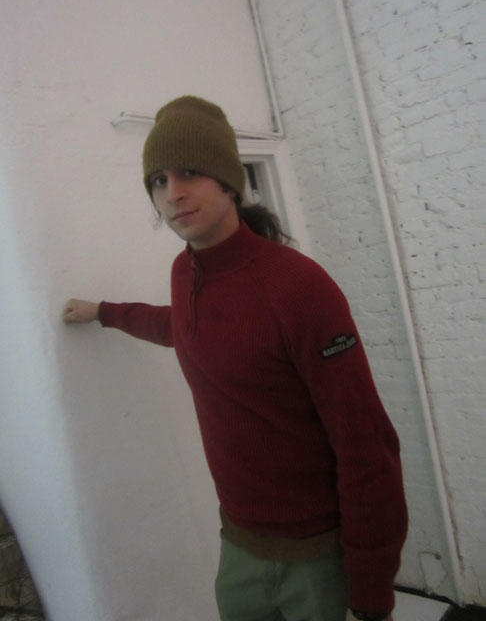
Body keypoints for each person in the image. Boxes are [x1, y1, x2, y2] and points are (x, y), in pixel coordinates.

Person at [63, 95, 408, 621]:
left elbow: (366, 444)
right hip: (239, 546)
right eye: (157, 180)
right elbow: (184, 328)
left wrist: (372, 590)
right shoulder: (185, 273)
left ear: (229, 182)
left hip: (313, 557)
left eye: (190, 172)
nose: (172, 193)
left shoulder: (300, 288)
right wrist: (104, 312)